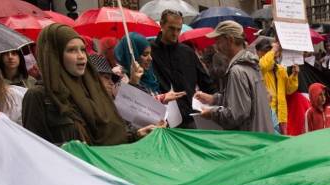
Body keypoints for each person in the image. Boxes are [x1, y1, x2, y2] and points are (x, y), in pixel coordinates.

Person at [22, 24, 154, 146]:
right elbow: (34, 149)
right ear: (54, 56)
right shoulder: (38, 97)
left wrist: (136, 135)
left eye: (82, 49)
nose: (81, 56)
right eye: (72, 50)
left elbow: (109, 137)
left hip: (107, 167)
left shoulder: (94, 89)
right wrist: (67, 149)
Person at [194, 20, 273, 133]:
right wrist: (214, 99)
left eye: (218, 41)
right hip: (261, 134)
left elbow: (236, 115)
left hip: (249, 140)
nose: (216, 46)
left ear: (230, 40)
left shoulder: (237, 71)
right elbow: (242, 100)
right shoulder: (252, 63)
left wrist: (212, 113)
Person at [151, 9, 214, 126]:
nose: (175, 33)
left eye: (178, 29)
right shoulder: (150, 52)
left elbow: (206, 82)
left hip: (190, 116)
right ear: (162, 25)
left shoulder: (187, 52)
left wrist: (215, 102)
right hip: (161, 119)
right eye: (171, 28)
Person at [114, 32, 185, 103]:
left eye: (150, 54)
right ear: (133, 55)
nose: (150, 58)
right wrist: (133, 83)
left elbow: (149, 102)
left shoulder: (148, 74)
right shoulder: (117, 76)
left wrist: (162, 98)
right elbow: (125, 105)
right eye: (145, 54)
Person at [255, 38, 299, 134]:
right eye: (266, 51)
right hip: (266, 113)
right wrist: (273, 50)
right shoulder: (258, 67)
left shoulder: (281, 69)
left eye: (269, 51)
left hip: (281, 115)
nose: (269, 54)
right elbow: (262, 66)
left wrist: (294, 75)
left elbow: (289, 90)